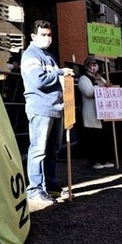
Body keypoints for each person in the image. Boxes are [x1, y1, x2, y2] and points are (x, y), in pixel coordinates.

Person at [20, 20, 74, 205]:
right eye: (43, 35)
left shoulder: (48, 57)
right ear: (33, 36)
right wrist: (60, 72)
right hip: (40, 108)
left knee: (52, 150)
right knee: (38, 150)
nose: (47, 38)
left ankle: (50, 186)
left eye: (49, 35)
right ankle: (35, 189)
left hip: (55, 108)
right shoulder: (30, 55)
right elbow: (39, 80)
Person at [77, 56, 115, 170]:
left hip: (102, 112)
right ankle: (94, 161)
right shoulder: (83, 78)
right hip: (91, 113)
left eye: (95, 64)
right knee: (93, 139)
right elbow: (89, 92)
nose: (94, 67)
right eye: (91, 64)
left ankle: (104, 159)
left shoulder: (99, 77)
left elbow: (109, 86)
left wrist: (102, 83)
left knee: (103, 138)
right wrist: (101, 87)